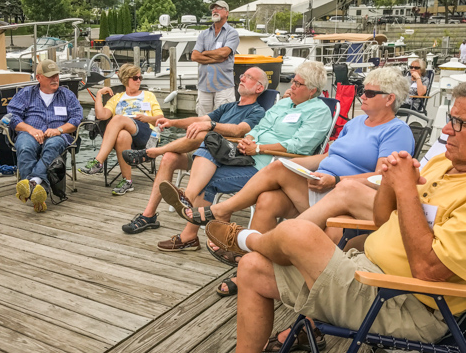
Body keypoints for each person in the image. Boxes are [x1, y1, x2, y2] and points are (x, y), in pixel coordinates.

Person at [205, 71, 466, 353]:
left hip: (407, 304)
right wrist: (392, 185)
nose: (446, 129)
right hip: (369, 274)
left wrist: (406, 190)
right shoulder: (447, 164)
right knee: (252, 268)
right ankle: (250, 259)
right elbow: (383, 220)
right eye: (451, 117)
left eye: (460, 123)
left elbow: (430, 270)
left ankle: (251, 240)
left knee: (298, 233)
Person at [203, 67, 414, 296]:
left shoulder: (396, 130)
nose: (361, 95)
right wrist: (297, 166)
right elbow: (327, 157)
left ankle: (227, 221)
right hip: (317, 186)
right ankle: (249, 265)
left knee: (273, 186)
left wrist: (335, 179)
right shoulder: (355, 123)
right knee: (270, 195)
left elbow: (381, 178)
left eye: (369, 93)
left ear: (389, 99)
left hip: (346, 199)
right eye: (362, 90)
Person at [158, 61, 333, 252]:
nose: (291, 86)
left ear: (312, 90)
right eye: (293, 81)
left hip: (271, 166)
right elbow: (261, 127)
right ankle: (199, 218)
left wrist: (259, 148)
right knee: (211, 143)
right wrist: (247, 139)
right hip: (249, 155)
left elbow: (299, 146)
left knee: (209, 180)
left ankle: (196, 231)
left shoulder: (319, 111)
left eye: (297, 84)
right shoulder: (284, 103)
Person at [119, 67, 268, 234]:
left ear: (259, 88)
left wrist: (211, 126)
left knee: (205, 134)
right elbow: (199, 119)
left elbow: (239, 130)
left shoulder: (257, 111)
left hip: (226, 158)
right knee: (169, 158)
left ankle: (152, 153)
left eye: (248, 77)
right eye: (242, 75)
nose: (242, 78)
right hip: (205, 154)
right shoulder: (228, 107)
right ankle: (148, 216)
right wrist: (172, 122)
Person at [7, 59, 83, 213]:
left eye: (56, 75)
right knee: (25, 146)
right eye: (50, 76)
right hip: (30, 132)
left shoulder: (67, 95)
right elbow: (11, 117)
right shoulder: (26, 93)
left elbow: (76, 119)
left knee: (52, 146)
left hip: (58, 135)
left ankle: (32, 182)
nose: (55, 79)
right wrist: (29, 129)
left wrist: (59, 130)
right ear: (38, 77)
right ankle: (39, 189)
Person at [79, 63, 164, 195]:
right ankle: (127, 181)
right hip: (127, 134)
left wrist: (147, 118)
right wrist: (99, 95)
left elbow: (160, 118)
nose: (139, 81)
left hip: (146, 133)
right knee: (122, 135)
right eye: (135, 78)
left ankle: (98, 161)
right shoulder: (116, 98)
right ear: (125, 79)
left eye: (140, 78)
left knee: (118, 119)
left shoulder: (148, 95)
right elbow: (101, 115)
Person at [192, 0, 240, 116]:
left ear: (227, 13)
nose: (215, 11)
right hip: (204, 86)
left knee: (223, 120)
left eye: (219, 8)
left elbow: (224, 53)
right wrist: (214, 59)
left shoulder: (232, 33)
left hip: (223, 87)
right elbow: (194, 56)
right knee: (202, 121)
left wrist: (204, 53)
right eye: (213, 9)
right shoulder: (203, 34)